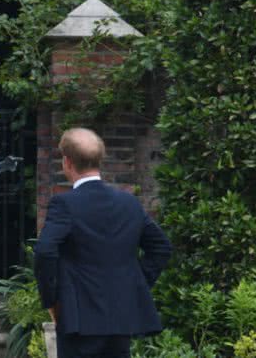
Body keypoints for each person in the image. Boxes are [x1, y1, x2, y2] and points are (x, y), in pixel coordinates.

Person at [34, 128, 172, 358]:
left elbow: (45, 250)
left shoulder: (65, 204)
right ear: (100, 160)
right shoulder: (128, 203)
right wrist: (134, 285)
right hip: (120, 317)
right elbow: (161, 248)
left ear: (66, 162)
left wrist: (53, 300)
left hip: (79, 320)